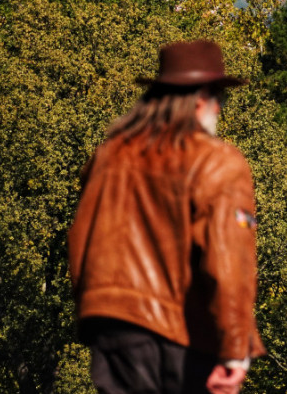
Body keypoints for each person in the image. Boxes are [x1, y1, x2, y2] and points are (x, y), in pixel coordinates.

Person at [68, 40, 265, 393]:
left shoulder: (110, 155)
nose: (221, 109)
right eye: (221, 99)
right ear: (202, 98)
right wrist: (235, 351)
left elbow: (81, 240)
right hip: (181, 335)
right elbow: (228, 261)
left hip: (111, 331)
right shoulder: (217, 162)